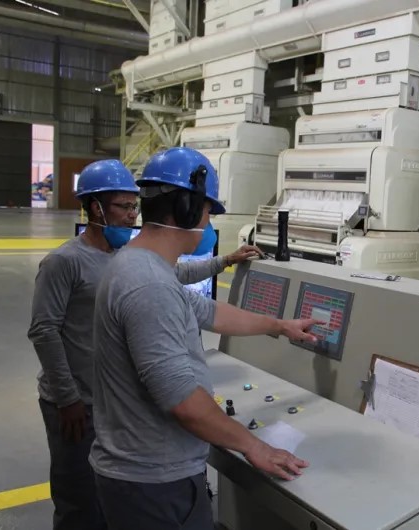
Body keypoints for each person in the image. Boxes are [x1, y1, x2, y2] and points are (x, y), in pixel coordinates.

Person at [27, 159, 260, 530]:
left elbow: (177, 272)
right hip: (75, 401)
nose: (130, 215)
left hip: (107, 398)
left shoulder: (126, 258)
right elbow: (44, 331)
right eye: (122, 206)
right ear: (93, 207)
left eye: (133, 205)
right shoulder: (65, 263)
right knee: (78, 501)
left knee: (104, 501)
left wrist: (224, 260)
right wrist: (66, 397)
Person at [90, 147, 316, 530]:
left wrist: (279, 326)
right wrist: (255, 446)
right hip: (153, 484)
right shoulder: (147, 283)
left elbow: (211, 313)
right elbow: (184, 402)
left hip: (146, 474)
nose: (208, 223)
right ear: (187, 207)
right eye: (209, 212)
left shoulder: (141, 266)